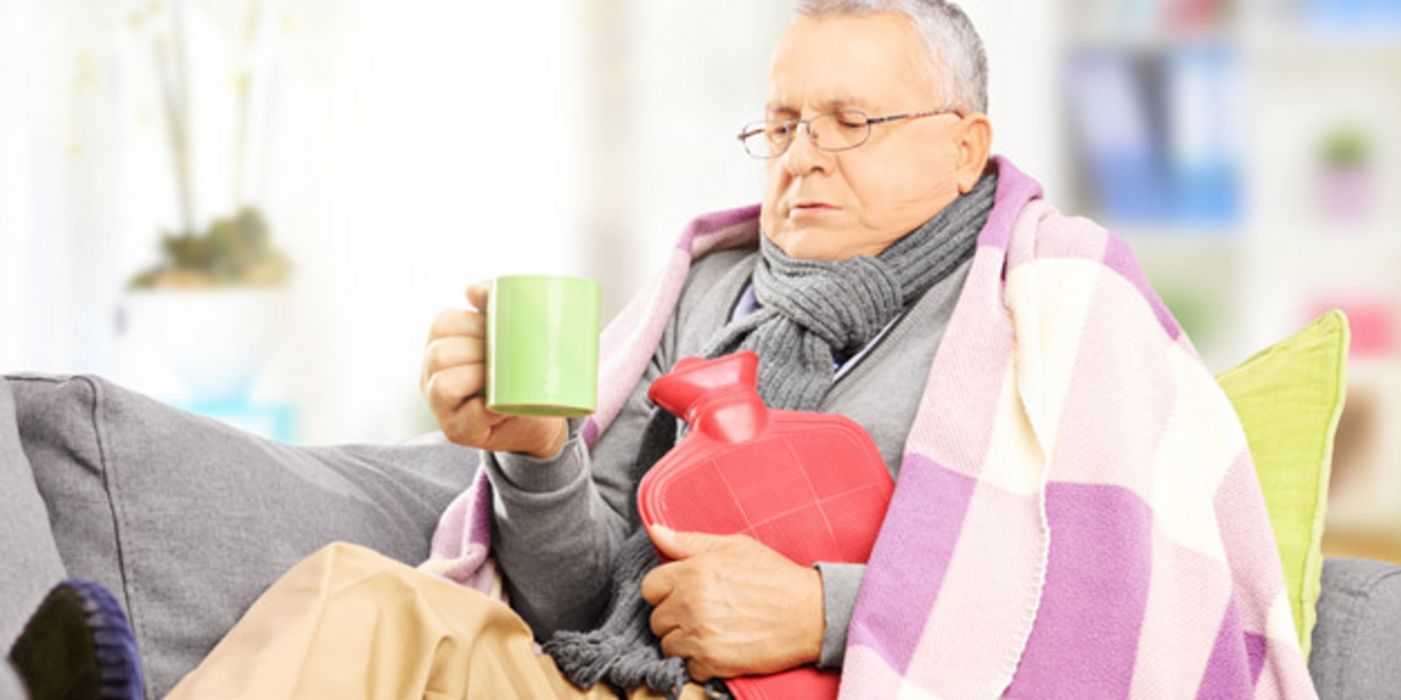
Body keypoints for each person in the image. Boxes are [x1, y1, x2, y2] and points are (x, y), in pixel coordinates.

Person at [3, 1, 1315, 698]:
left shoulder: (1057, 298)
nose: (804, 154)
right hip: (620, 685)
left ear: (966, 141)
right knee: (359, 592)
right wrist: (528, 464)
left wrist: (822, 611)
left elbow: (1114, 594)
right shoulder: (714, 287)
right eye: (782, 123)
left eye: (852, 121)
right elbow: (582, 601)